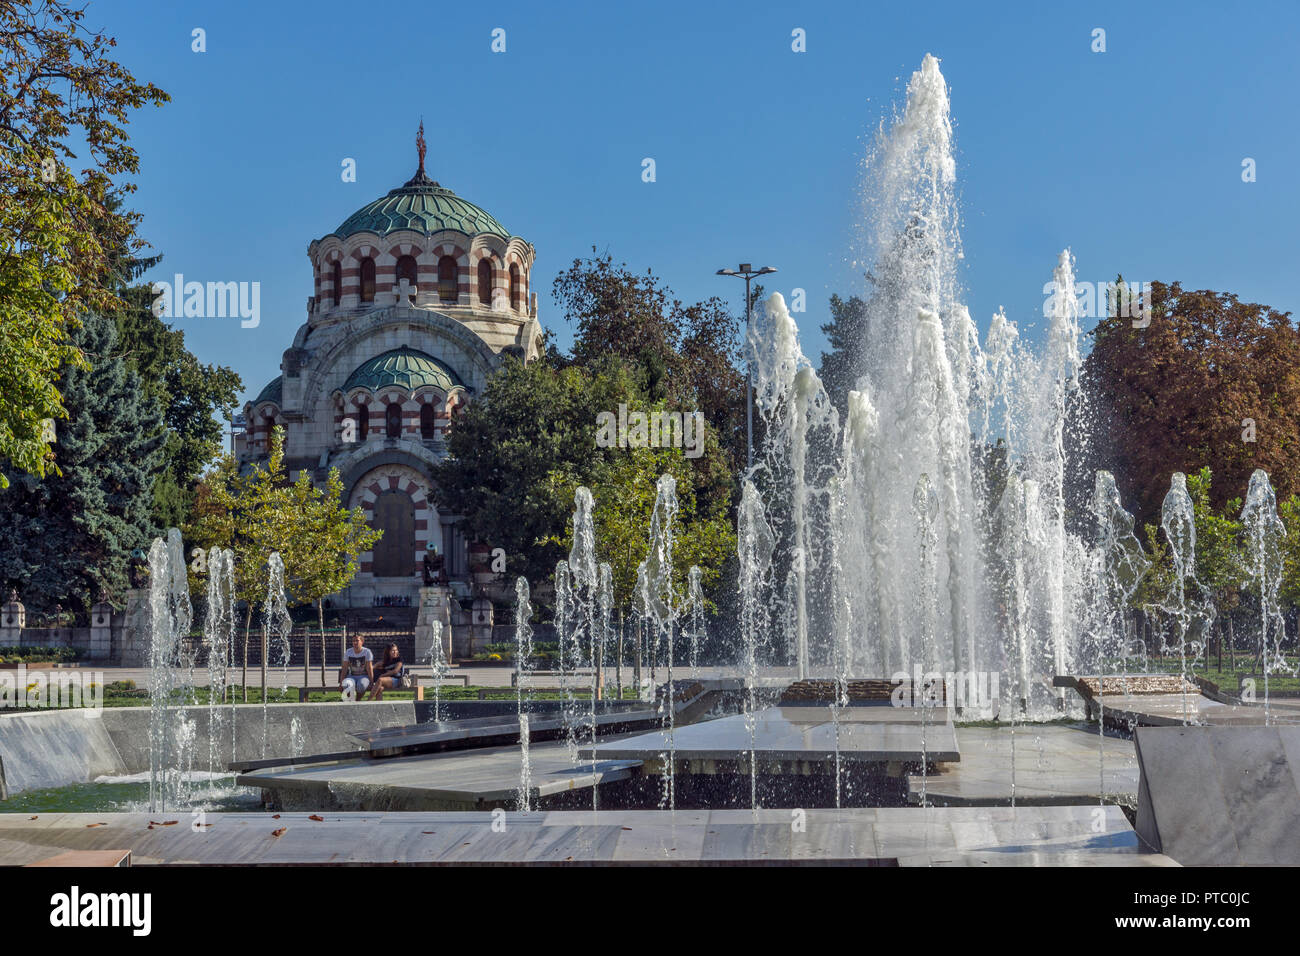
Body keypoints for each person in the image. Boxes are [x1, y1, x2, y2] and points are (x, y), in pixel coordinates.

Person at [339, 633, 373, 700]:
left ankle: (357, 701)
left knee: (361, 685)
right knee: (347, 685)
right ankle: (351, 701)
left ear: (362, 642)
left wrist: (371, 682)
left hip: (364, 676)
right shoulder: (348, 652)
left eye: (357, 640)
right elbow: (344, 668)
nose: (355, 642)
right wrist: (341, 683)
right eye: (353, 641)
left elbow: (369, 668)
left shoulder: (367, 652)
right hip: (351, 676)